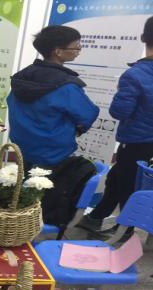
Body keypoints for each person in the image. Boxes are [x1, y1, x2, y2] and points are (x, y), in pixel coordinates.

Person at [78, 16, 153, 242]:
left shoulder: (135, 75)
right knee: (116, 178)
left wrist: (120, 91)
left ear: (143, 37)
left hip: (137, 142)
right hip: (146, 143)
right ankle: (96, 216)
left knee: (129, 186)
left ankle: (124, 231)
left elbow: (119, 112)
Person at [7, 25, 100, 171]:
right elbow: (88, 114)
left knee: (21, 182)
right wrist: (76, 127)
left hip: (22, 145)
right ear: (58, 52)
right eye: (76, 46)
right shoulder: (66, 86)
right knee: (45, 184)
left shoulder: (21, 78)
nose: (78, 51)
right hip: (52, 151)